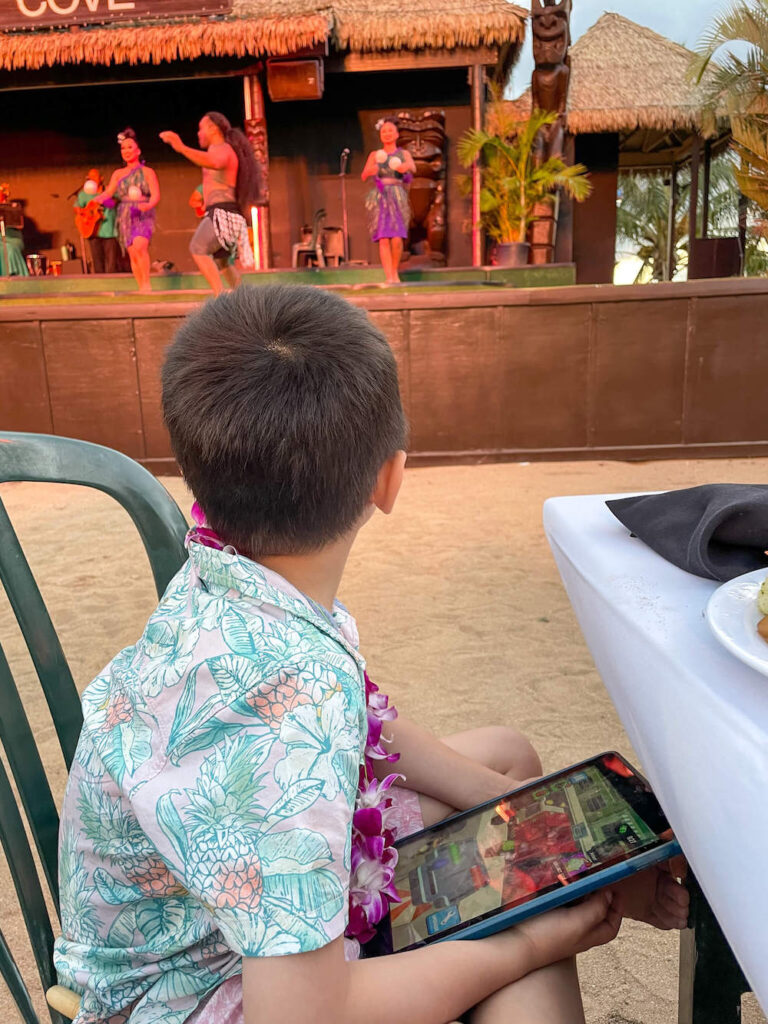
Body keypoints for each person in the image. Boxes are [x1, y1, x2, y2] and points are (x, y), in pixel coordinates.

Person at [53, 286, 689, 1024]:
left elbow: (365, 720)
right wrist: (531, 943)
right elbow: (303, 1016)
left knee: (507, 761)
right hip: (200, 991)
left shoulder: (233, 576)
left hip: (221, 905)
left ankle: (571, 884)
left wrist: (564, 846)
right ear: (390, 478)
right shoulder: (282, 720)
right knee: (517, 938)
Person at [159, 112, 259, 295]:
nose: (198, 133)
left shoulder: (222, 149)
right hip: (225, 212)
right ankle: (245, 298)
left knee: (198, 248)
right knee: (222, 263)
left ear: (213, 128)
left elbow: (215, 162)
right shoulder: (221, 149)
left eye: (200, 128)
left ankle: (220, 297)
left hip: (223, 212)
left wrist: (181, 147)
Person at [96, 128, 160, 293]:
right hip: (125, 215)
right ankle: (141, 287)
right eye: (123, 148)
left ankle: (147, 284)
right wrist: (96, 199)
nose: (126, 151)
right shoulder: (118, 174)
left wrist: (146, 206)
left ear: (138, 150)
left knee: (140, 246)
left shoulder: (148, 172)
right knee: (132, 252)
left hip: (142, 212)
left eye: (130, 147)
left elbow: (155, 196)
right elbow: (109, 193)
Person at [362, 117, 417, 284]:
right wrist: (374, 168)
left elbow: (413, 168)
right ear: (380, 135)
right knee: (384, 238)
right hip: (381, 198)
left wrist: (405, 167)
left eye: (390, 131)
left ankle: (395, 271)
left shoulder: (403, 154)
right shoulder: (375, 155)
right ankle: (389, 276)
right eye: (383, 131)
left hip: (397, 196)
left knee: (397, 237)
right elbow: (364, 175)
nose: (387, 134)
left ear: (397, 134)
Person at [74, 169, 120, 275]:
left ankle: (112, 287)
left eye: (94, 177)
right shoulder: (83, 194)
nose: (92, 180)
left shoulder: (110, 190)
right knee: (97, 262)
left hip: (109, 231)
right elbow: (77, 208)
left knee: (111, 263)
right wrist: (85, 212)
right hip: (93, 231)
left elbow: (113, 203)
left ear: (101, 178)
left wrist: (103, 198)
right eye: (90, 178)